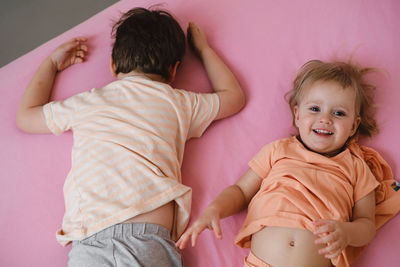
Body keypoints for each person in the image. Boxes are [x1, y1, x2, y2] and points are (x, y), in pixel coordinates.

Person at [16, 7, 245, 267]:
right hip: (151, 238)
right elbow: (233, 97)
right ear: (174, 71)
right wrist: (204, 49)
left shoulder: (88, 103)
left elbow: (26, 116)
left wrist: (51, 64)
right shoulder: (179, 103)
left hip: (92, 235)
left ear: (113, 65)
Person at [176, 60, 384, 267]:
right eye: (314, 108)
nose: (325, 119)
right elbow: (240, 191)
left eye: (339, 113)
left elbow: (367, 224)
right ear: (297, 114)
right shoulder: (278, 151)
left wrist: (347, 233)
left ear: (354, 126)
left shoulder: (357, 167)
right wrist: (216, 208)